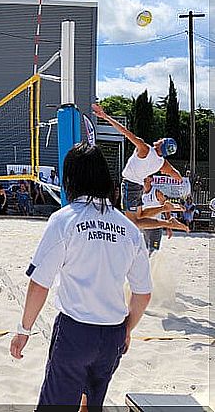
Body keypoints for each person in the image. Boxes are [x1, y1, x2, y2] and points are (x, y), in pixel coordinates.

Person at [10, 142, 152, 411]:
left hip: (76, 332)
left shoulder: (64, 220)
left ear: (70, 179)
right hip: (112, 334)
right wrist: (127, 330)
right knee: (91, 405)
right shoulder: (129, 229)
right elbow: (143, 293)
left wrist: (24, 330)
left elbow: (40, 284)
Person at [92, 104, 188, 232]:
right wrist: (181, 180)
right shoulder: (162, 163)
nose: (159, 139)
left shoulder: (145, 149)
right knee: (140, 215)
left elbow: (125, 132)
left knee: (134, 222)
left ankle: (168, 223)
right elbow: (176, 175)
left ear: (162, 144)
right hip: (138, 187)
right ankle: (164, 209)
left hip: (130, 185)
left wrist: (105, 116)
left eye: (162, 140)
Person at [140, 175, 172, 255]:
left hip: (156, 227)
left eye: (146, 176)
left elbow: (166, 208)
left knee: (153, 251)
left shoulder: (156, 193)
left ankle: (155, 267)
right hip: (145, 228)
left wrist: (169, 226)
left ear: (151, 179)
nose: (143, 178)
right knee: (145, 252)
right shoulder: (141, 193)